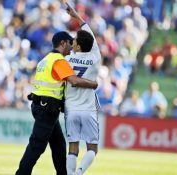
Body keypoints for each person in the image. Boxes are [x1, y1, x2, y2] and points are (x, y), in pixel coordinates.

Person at [15, 28, 98, 175]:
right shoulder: (59, 60)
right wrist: (93, 84)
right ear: (63, 43)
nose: (72, 46)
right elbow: (73, 80)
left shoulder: (45, 59)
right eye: (70, 43)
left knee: (59, 145)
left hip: (41, 104)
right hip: (47, 107)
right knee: (37, 145)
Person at [61, 1, 101, 175]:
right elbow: (88, 31)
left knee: (73, 146)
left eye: (75, 40)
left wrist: (74, 15)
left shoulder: (67, 60)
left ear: (78, 46)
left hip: (71, 107)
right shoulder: (95, 57)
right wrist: (76, 15)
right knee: (92, 147)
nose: (73, 41)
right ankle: (79, 173)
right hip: (88, 108)